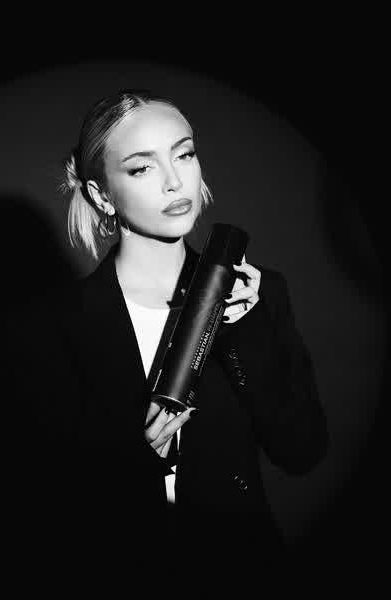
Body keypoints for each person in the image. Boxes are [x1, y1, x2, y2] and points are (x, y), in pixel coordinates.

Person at [49, 89, 329, 590]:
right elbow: (36, 493)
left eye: (184, 154)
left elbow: (302, 451)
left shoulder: (260, 294)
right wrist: (128, 458)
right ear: (101, 195)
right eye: (142, 168)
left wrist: (244, 328)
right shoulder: (61, 320)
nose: (175, 181)